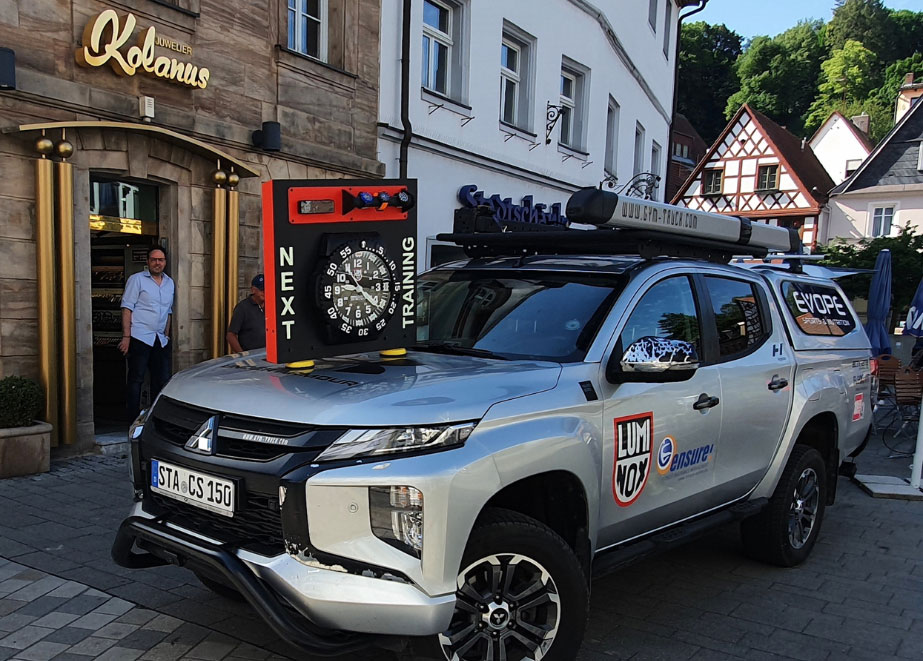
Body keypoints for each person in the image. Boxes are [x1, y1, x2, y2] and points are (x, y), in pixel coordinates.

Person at [119, 246, 175, 421]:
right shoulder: (137, 280)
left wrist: (166, 334)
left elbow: (169, 311)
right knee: (136, 380)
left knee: (161, 380)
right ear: (148, 261)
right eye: (154, 260)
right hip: (139, 336)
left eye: (161, 260)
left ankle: (154, 420)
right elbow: (127, 308)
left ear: (165, 262)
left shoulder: (169, 282)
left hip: (160, 339)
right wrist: (126, 337)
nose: (157, 263)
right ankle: (132, 420)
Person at [227, 274, 266, 353]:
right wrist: (242, 355)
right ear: (253, 290)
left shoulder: (273, 306)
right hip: (251, 356)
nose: (265, 292)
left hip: (270, 356)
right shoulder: (242, 308)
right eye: (262, 290)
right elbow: (231, 335)